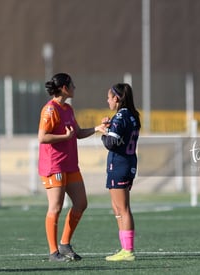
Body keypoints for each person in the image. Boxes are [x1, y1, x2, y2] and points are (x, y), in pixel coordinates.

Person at [38, 73, 106, 262]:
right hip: (54, 164)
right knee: (56, 207)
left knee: (81, 203)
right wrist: (64, 138)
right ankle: (53, 253)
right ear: (65, 88)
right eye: (72, 85)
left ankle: (65, 244)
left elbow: (76, 133)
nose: (75, 87)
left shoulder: (67, 108)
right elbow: (42, 137)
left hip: (69, 164)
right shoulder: (50, 110)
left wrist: (97, 128)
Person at [100, 83, 140, 261]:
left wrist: (103, 132)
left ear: (116, 99)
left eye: (109, 97)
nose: (107, 100)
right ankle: (124, 248)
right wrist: (110, 128)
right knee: (117, 207)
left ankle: (128, 250)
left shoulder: (121, 116)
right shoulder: (132, 115)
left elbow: (111, 143)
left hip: (119, 165)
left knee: (123, 208)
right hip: (127, 162)